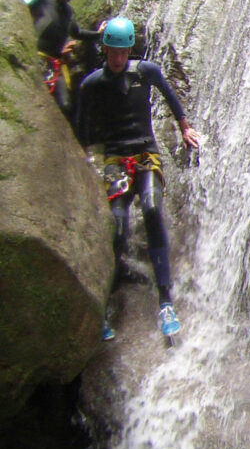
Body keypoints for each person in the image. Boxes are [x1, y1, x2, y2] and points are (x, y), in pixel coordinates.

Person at [76, 17, 201, 340]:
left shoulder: (145, 72)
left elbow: (171, 97)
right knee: (116, 223)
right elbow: (81, 126)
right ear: (104, 49)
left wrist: (185, 127)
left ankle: (165, 301)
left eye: (122, 52)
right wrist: (81, 156)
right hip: (116, 159)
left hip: (145, 154)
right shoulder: (92, 84)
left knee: (151, 207)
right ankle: (103, 304)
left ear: (129, 50)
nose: (117, 58)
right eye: (112, 52)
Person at [26, 0, 103, 122]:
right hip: (36, 57)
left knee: (66, 105)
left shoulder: (69, 12)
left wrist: (98, 34)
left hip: (54, 63)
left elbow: (77, 33)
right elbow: (24, 18)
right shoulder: (43, 1)